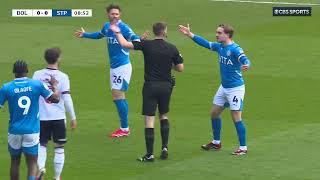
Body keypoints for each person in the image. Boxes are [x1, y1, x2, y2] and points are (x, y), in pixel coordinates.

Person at [110, 22, 184, 162]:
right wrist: (169, 65)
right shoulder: (172, 48)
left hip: (150, 86)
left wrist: (118, 32)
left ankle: (149, 154)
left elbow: (125, 45)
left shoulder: (146, 45)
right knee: (163, 115)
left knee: (149, 119)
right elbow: (180, 68)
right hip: (166, 86)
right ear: (165, 32)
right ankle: (164, 147)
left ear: (154, 31)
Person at [179, 23, 251, 155]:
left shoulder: (235, 49)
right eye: (217, 32)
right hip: (224, 87)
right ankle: (216, 143)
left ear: (227, 35)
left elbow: (244, 59)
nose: (216, 35)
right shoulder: (219, 47)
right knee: (214, 113)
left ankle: (243, 148)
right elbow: (206, 44)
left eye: (219, 33)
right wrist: (190, 35)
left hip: (235, 89)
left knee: (236, 117)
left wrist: (246, 64)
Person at [74, 4, 140, 137]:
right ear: (108, 15)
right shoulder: (106, 26)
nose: (115, 16)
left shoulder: (124, 28)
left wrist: (139, 40)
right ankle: (125, 127)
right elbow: (99, 35)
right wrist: (85, 35)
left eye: (117, 14)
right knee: (119, 96)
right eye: (112, 14)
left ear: (120, 15)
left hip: (122, 66)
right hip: (114, 67)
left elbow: (135, 38)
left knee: (117, 95)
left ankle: (124, 129)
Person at [0, 60, 59, 180]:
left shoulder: (6, 88)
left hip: (14, 131)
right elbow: (56, 99)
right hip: (32, 131)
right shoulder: (36, 85)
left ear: (14, 72)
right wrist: (55, 86)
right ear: (27, 71)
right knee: (32, 163)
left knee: (15, 162)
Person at [32, 48, 77, 180]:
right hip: (58, 117)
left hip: (41, 117)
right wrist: (73, 117)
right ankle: (57, 178)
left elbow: (34, 94)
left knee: (41, 144)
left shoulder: (36, 75)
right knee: (59, 148)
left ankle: (40, 169)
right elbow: (67, 98)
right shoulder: (63, 77)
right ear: (58, 59)